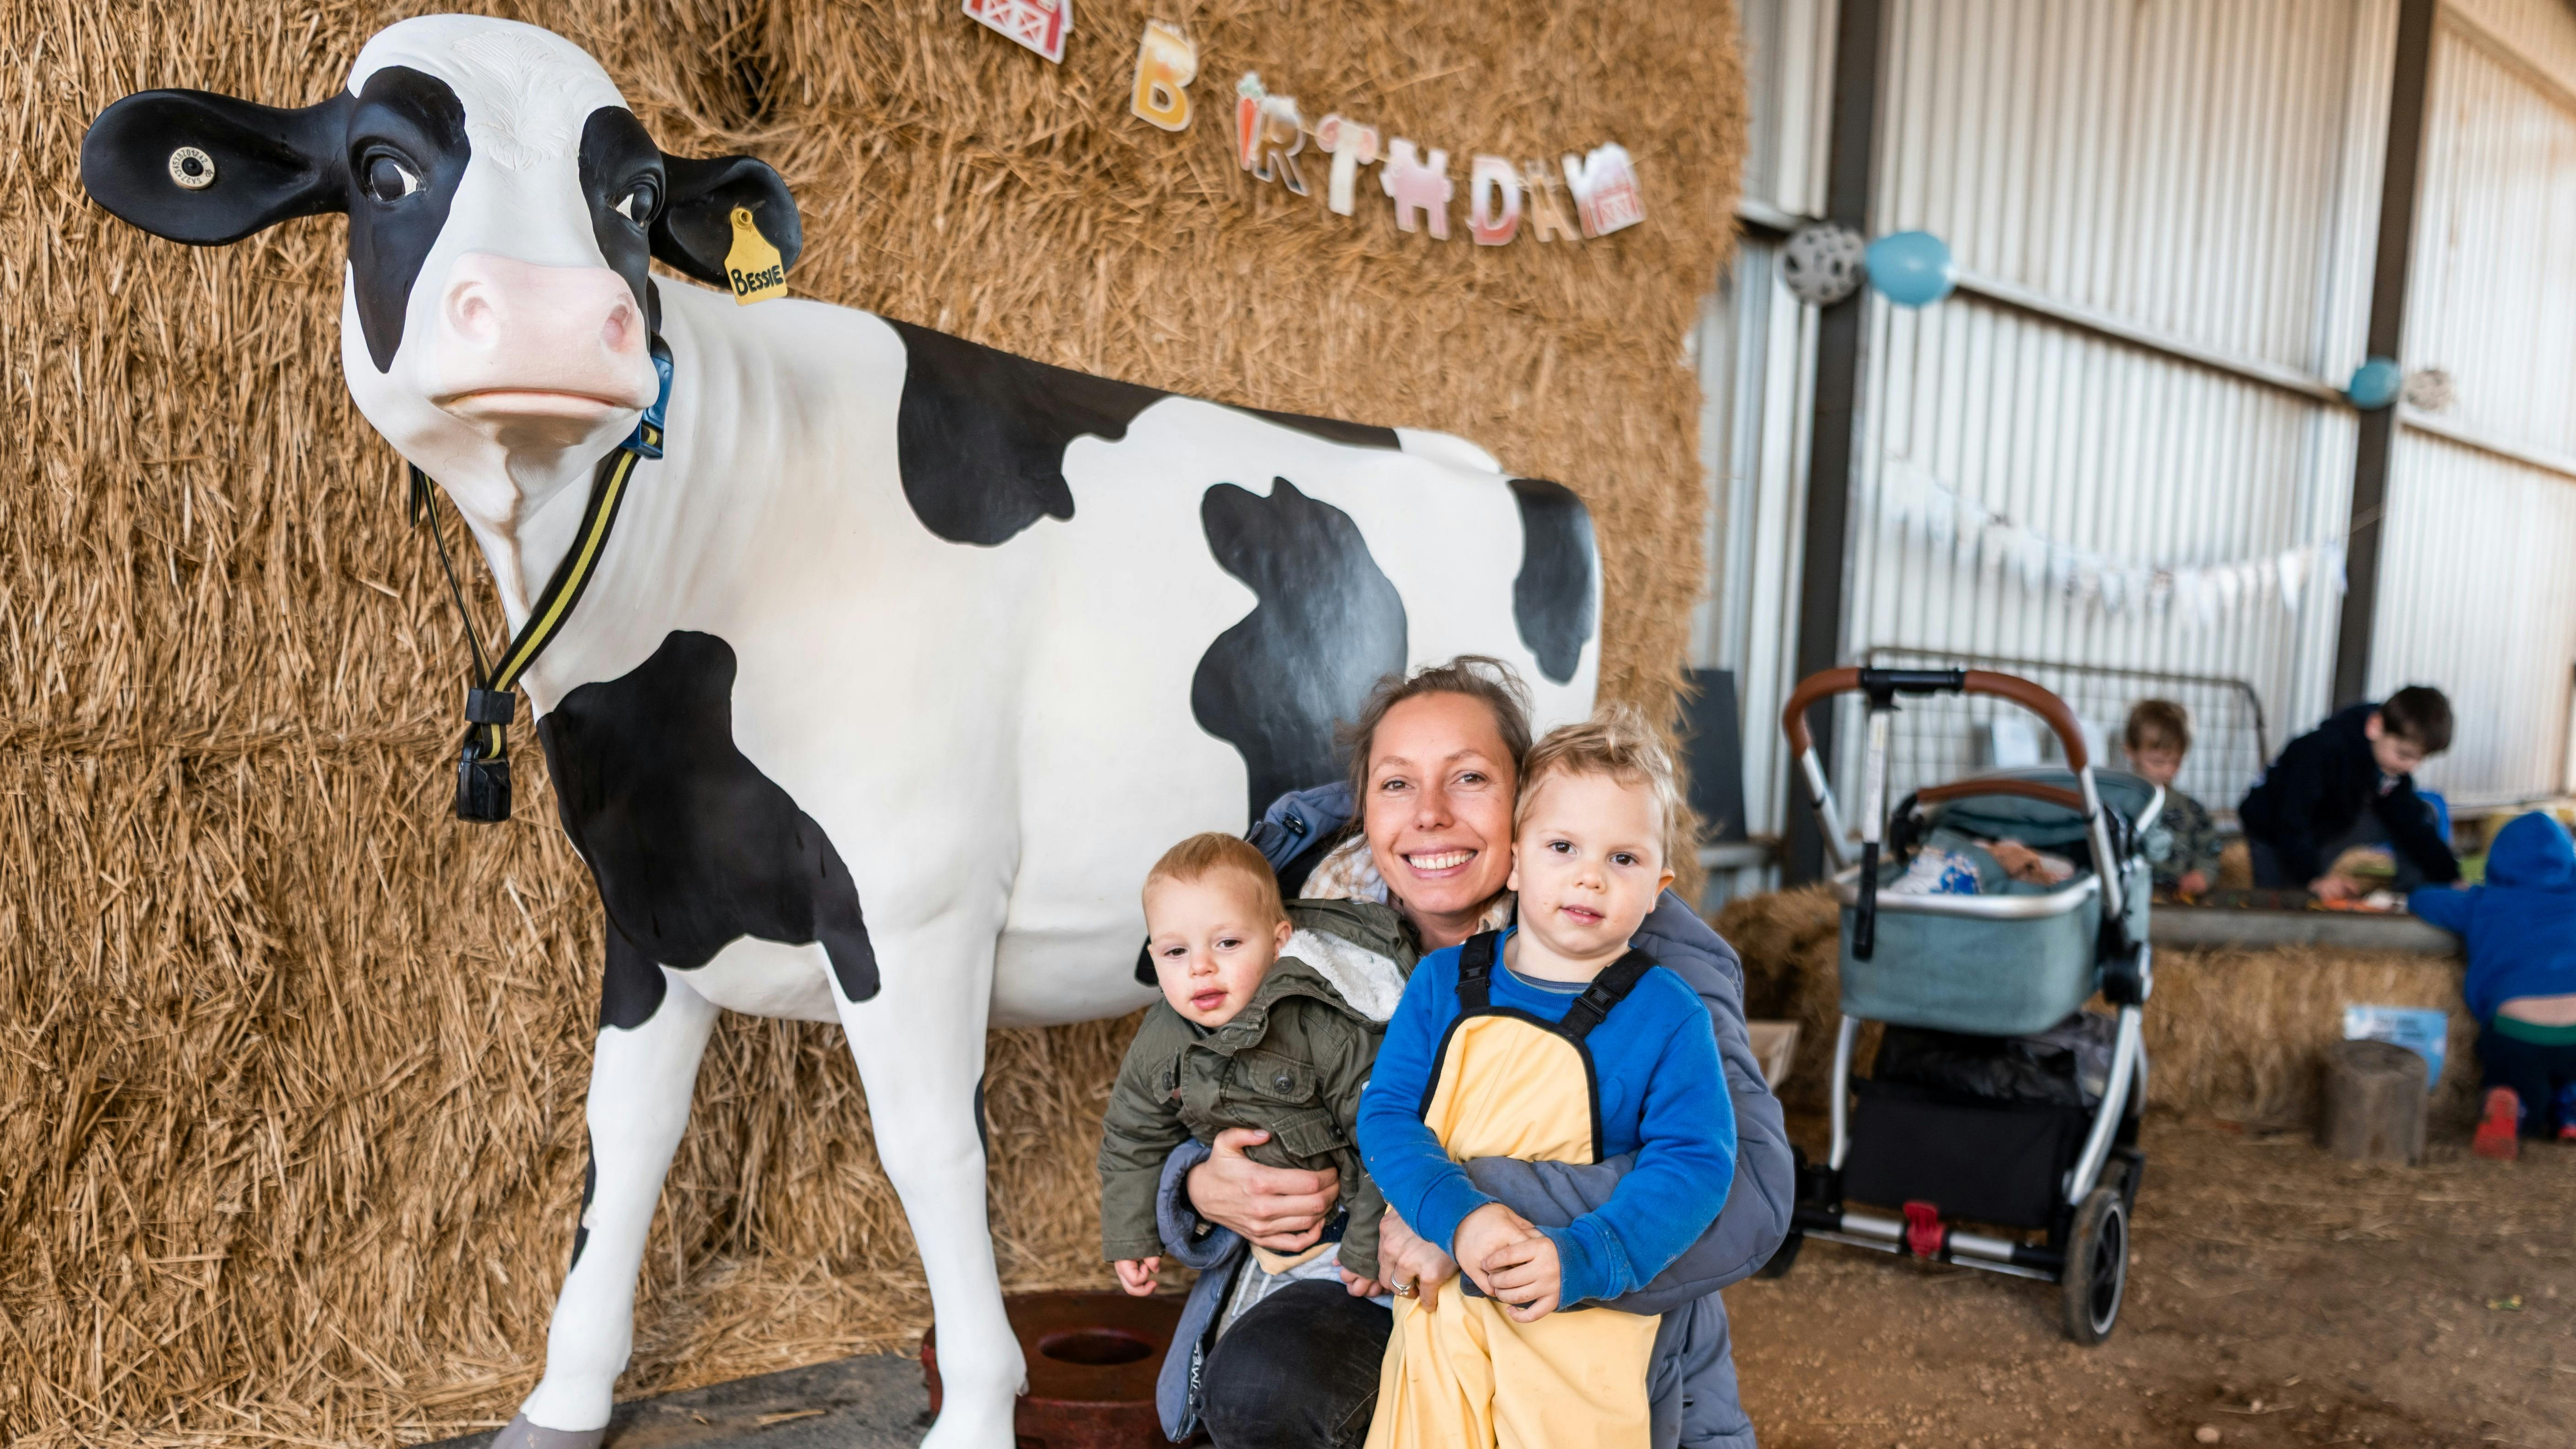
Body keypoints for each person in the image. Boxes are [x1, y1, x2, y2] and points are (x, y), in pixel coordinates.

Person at [1157, 657, 1788, 1449]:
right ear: (1362, 807)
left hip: (1565, 1291)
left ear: (1520, 802)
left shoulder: (1647, 958)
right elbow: (1182, 1085)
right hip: (1365, 1285)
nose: (1427, 813)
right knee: (1261, 1384)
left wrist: (1462, 1209)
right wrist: (1197, 1182)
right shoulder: (1289, 927)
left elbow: (1748, 1188)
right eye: (1395, 783)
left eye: (1466, 778)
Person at [1357, 709, 1734, 1449]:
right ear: (1517, 860)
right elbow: (1387, 1116)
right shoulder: (1442, 983)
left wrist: (1587, 1254)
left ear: (1657, 885)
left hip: (1575, 1336)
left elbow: (1694, 1161)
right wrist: (1459, 1215)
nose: (1589, 874)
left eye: (1622, 858)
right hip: (1440, 1327)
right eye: (1562, 845)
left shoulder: (1668, 1015)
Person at [1098, 834, 1405, 1296]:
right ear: (1154, 959)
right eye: (1175, 952)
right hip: (1255, 1246)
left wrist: (1367, 1247)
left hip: (1345, 1237)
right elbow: (1132, 1136)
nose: (1200, 968)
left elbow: (1382, 1134)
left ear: (1278, 942)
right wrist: (1132, 1233)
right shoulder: (1160, 1041)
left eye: (1227, 943)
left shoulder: (1320, 1027)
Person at [2408, 812, 2576, 1158]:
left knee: (2516, 1083)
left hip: (2517, 1030)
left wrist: (2464, 891)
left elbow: (2421, 898)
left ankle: (2509, 1103)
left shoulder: (2483, 903)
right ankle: (2570, 1114)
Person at [2238, 687, 2460, 897]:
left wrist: (2451, 877)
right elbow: (2293, 818)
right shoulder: (2321, 750)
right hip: (2274, 831)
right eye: (2404, 755)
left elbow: (2412, 823)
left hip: (2326, 828)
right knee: (2287, 904)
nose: (2411, 768)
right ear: (2375, 727)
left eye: (2420, 759)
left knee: (2421, 814)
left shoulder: (2390, 769)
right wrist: (2313, 878)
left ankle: (2413, 900)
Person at [2123, 699, 2222, 897]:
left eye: (2176, 762)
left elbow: (2210, 850)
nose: (2169, 771)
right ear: (2131, 752)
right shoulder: (2118, 805)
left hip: (2179, 902)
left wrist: (2203, 874)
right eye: (2158, 762)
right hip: (2128, 900)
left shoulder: (2191, 810)